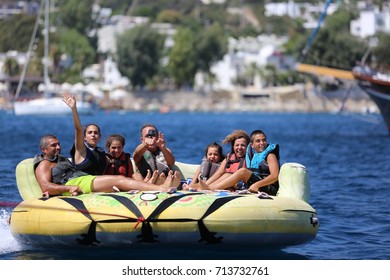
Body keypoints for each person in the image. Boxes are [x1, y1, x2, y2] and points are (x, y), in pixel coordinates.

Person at [34, 134, 180, 197]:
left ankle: (153, 187)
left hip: (83, 180)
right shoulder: (44, 164)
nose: (58, 147)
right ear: (44, 149)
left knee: (121, 185)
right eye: (54, 145)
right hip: (74, 183)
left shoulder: (59, 160)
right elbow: (45, 187)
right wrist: (69, 188)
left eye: (58, 144)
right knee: (117, 179)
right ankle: (160, 188)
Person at [195, 130, 280, 195]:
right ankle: (204, 187)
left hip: (269, 188)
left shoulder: (270, 155)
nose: (262, 143)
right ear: (252, 145)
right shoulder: (254, 156)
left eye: (264, 140)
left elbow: (275, 176)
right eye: (258, 141)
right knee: (227, 175)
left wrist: (257, 184)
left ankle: (210, 188)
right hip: (257, 184)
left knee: (243, 171)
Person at [63, 92, 107, 175]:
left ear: (99, 137)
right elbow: (78, 129)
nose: (93, 135)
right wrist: (73, 108)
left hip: (98, 183)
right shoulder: (81, 149)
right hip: (81, 182)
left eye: (96, 133)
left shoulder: (101, 154)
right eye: (90, 133)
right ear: (84, 137)